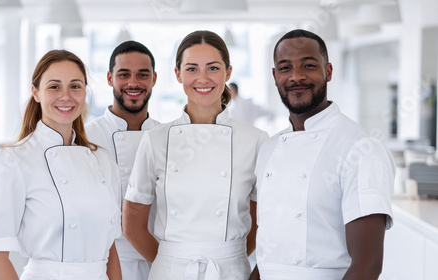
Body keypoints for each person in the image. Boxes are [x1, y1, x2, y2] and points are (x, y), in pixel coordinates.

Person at [122, 30, 269, 280]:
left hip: (231, 271)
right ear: (178, 74)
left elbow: (261, 221)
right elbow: (132, 224)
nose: (202, 78)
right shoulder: (156, 140)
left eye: (213, 68)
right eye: (191, 69)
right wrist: (171, 261)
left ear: (228, 72)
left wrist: (228, 256)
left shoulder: (255, 140)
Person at [251, 29, 395, 280]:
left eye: (308, 65)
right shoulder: (269, 148)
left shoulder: (360, 148)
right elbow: (266, 255)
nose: (296, 76)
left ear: (328, 71)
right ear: (275, 76)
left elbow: (368, 265)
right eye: (285, 68)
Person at [0, 50, 122, 280]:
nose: (66, 96)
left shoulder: (103, 160)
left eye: (75, 86)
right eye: (54, 86)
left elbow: (110, 248)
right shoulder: (12, 162)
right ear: (35, 92)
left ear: (85, 92)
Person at [86, 40, 160, 280]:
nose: (133, 83)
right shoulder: (85, 139)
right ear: (109, 78)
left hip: (159, 261)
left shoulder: (168, 136)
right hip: (104, 264)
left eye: (142, 75)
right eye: (124, 74)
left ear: (154, 79)